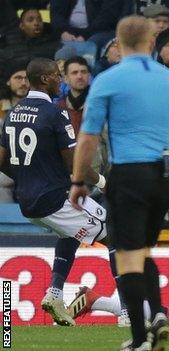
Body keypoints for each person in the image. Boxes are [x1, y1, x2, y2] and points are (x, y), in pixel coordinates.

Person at [69, 16, 169, 351]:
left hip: (128, 174)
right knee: (141, 250)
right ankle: (156, 314)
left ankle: (141, 338)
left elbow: (87, 139)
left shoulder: (109, 80)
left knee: (126, 256)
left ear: (117, 42)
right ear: (152, 42)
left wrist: (79, 181)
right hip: (164, 175)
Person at [0, 58, 108, 327]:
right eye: (57, 76)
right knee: (116, 234)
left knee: (70, 232)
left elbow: (2, 159)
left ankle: (55, 293)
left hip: (27, 201)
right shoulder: (55, 112)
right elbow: (74, 163)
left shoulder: (13, 112)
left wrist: (28, 178)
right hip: (54, 198)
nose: (60, 80)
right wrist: (103, 182)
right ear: (47, 79)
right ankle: (129, 313)